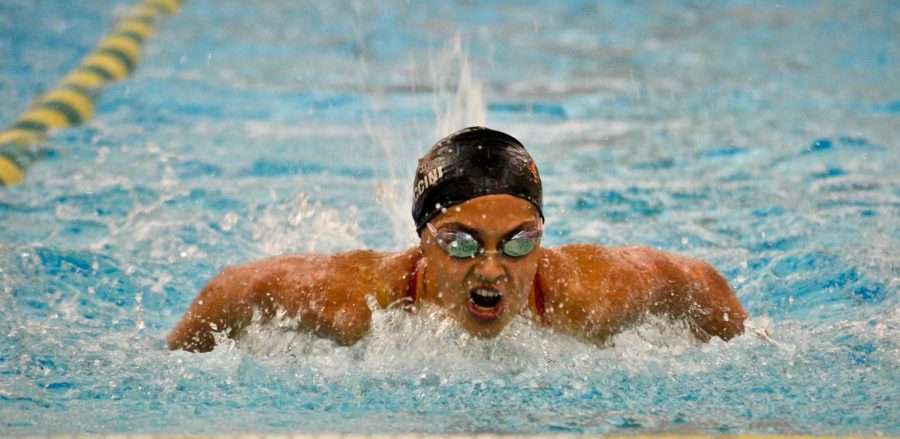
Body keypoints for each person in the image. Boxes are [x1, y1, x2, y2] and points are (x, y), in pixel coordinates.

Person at [167, 127, 746, 352]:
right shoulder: (362, 304)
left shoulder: (586, 297)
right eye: (462, 244)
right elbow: (235, 289)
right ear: (423, 243)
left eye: (518, 244)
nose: (492, 270)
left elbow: (697, 282)